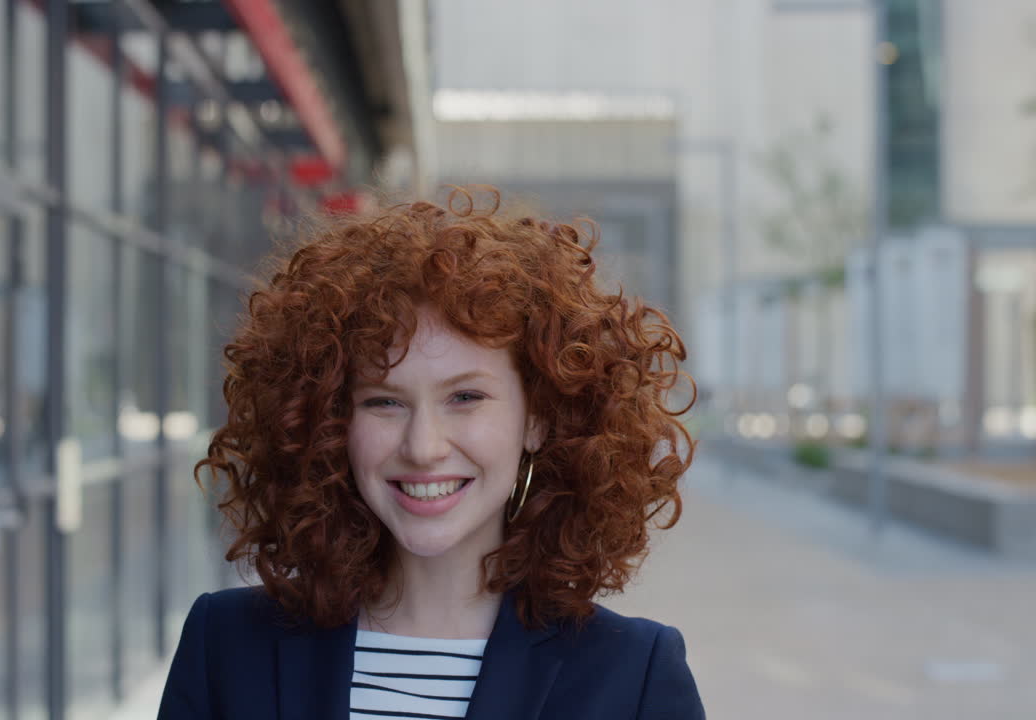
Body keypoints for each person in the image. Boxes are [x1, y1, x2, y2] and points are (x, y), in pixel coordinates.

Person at [159, 188, 704, 719]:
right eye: (384, 401)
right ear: (331, 424)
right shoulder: (225, 647)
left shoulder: (634, 678)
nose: (423, 447)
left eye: (465, 397)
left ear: (538, 418)